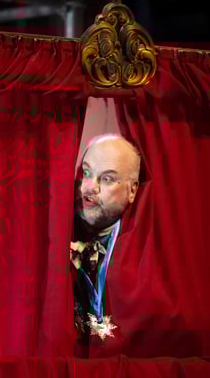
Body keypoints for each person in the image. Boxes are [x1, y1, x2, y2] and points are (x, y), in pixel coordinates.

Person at [70, 133, 140, 355]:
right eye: (86, 173)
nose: (90, 188)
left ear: (132, 190)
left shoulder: (140, 250)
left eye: (107, 179)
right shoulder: (58, 231)